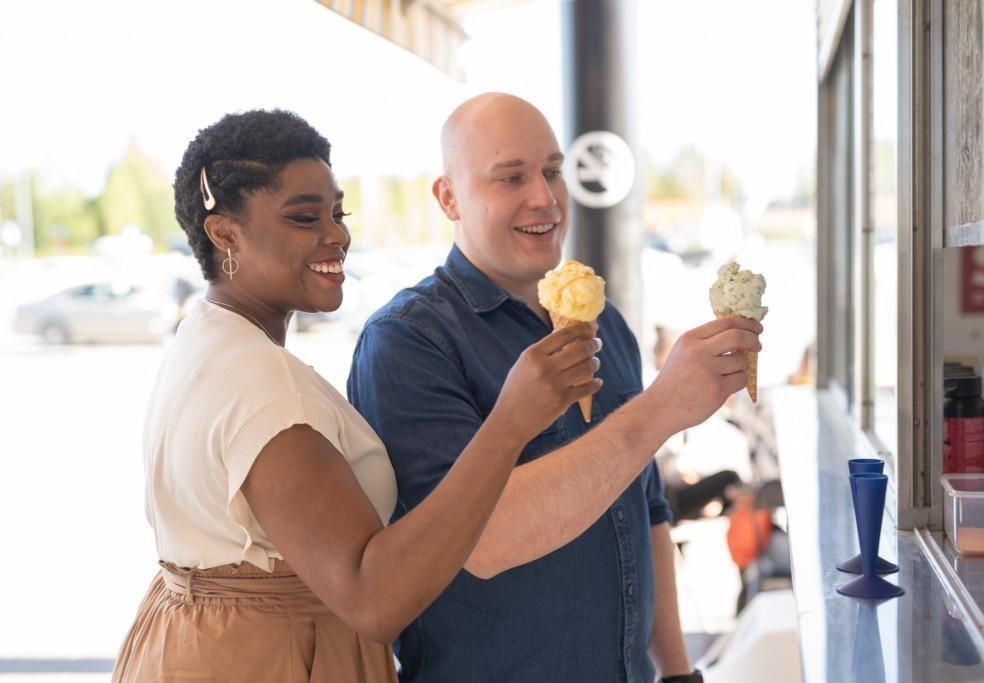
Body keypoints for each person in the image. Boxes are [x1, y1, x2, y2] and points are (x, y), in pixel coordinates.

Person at [113, 109, 601, 682]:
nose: (337, 234)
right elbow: (375, 599)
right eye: (304, 217)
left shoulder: (208, 336)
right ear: (225, 234)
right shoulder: (264, 387)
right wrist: (509, 423)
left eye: (338, 213)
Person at [348, 93, 762, 683]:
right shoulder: (409, 343)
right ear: (448, 197)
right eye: (510, 177)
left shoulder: (606, 324)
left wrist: (677, 673)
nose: (543, 198)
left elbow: (647, 514)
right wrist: (662, 408)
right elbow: (484, 545)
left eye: (552, 171)